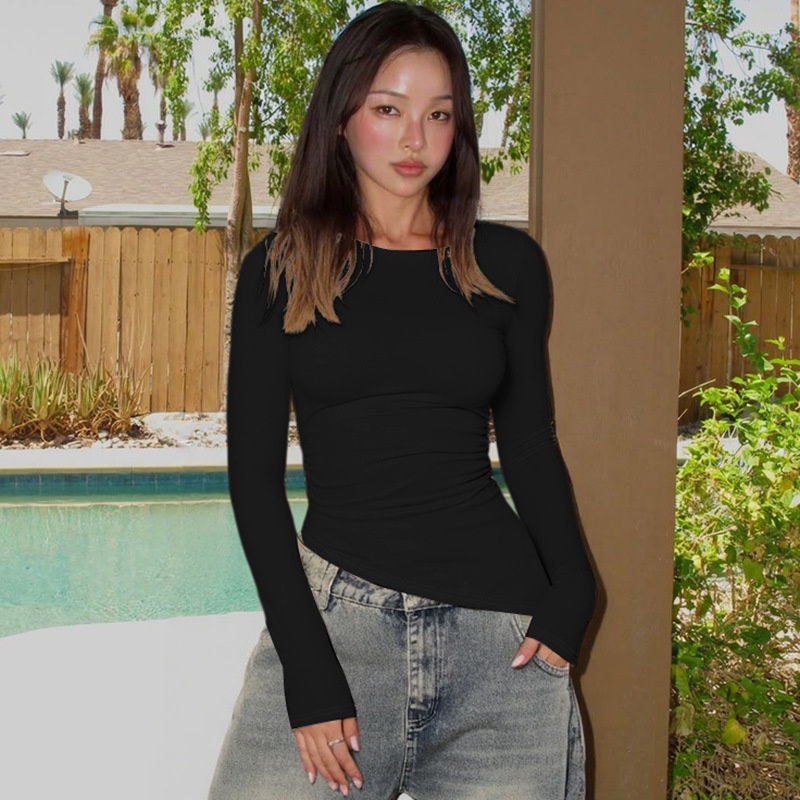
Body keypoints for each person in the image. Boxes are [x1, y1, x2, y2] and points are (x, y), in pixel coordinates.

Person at [208, 3, 597, 799]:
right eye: (389, 110)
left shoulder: (507, 265)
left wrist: (576, 590)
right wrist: (307, 668)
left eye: (438, 114)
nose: (415, 138)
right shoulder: (279, 270)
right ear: (341, 117)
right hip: (337, 626)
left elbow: (530, 446)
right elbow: (253, 481)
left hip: (502, 644)